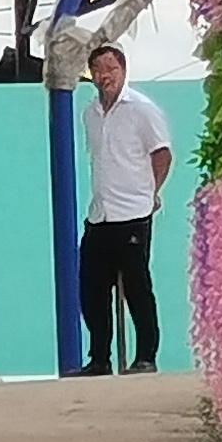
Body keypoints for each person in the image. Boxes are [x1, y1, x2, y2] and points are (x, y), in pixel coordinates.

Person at [77, 41, 174, 375]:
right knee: (91, 289)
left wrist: (151, 192)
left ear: (123, 71)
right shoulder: (90, 114)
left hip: (133, 213)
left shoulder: (142, 109)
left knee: (137, 289)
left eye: (111, 69)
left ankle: (146, 355)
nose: (104, 76)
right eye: (98, 70)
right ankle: (99, 358)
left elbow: (162, 154)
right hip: (100, 213)